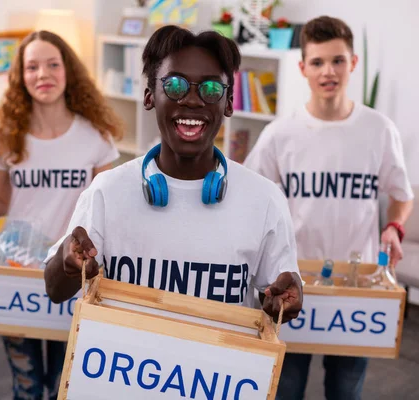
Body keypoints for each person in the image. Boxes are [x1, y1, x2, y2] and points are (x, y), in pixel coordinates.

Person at [43, 25, 303, 333]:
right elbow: (55, 290)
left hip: (215, 378)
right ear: (150, 95)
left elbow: (279, 300)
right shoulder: (107, 191)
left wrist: (287, 299)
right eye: (176, 86)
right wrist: (68, 260)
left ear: (229, 103)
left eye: (210, 90)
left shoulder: (265, 200)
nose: (192, 101)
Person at [244, 16, 414, 400]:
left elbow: (402, 194)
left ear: (353, 63)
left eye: (337, 60)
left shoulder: (379, 129)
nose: (328, 71)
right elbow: (254, 198)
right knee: (285, 387)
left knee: (346, 388)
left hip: (356, 286)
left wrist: (394, 228)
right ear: (303, 68)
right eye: (318, 62)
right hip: (293, 284)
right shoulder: (279, 134)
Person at [0, 30, 123, 399]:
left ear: (68, 72)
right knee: (27, 385)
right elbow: (1, 197)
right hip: (18, 274)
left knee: (67, 385)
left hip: (73, 275)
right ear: (20, 76)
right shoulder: (6, 135)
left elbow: (106, 207)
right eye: (32, 67)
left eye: (52, 64)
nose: (42, 74)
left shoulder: (95, 136)